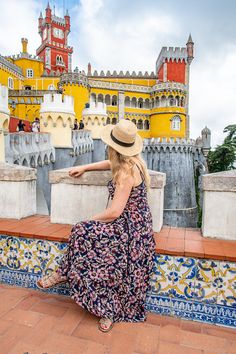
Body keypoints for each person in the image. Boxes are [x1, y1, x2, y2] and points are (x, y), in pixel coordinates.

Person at [37, 119, 155, 332]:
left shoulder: (126, 172)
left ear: (114, 148)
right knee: (85, 233)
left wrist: (89, 220)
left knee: (82, 229)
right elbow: (110, 164)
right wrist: (85, 166)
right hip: (135, 224)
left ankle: (101, 304)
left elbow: (114, 212)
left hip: (131, 231)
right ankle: (63, 273)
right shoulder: (132, 162)